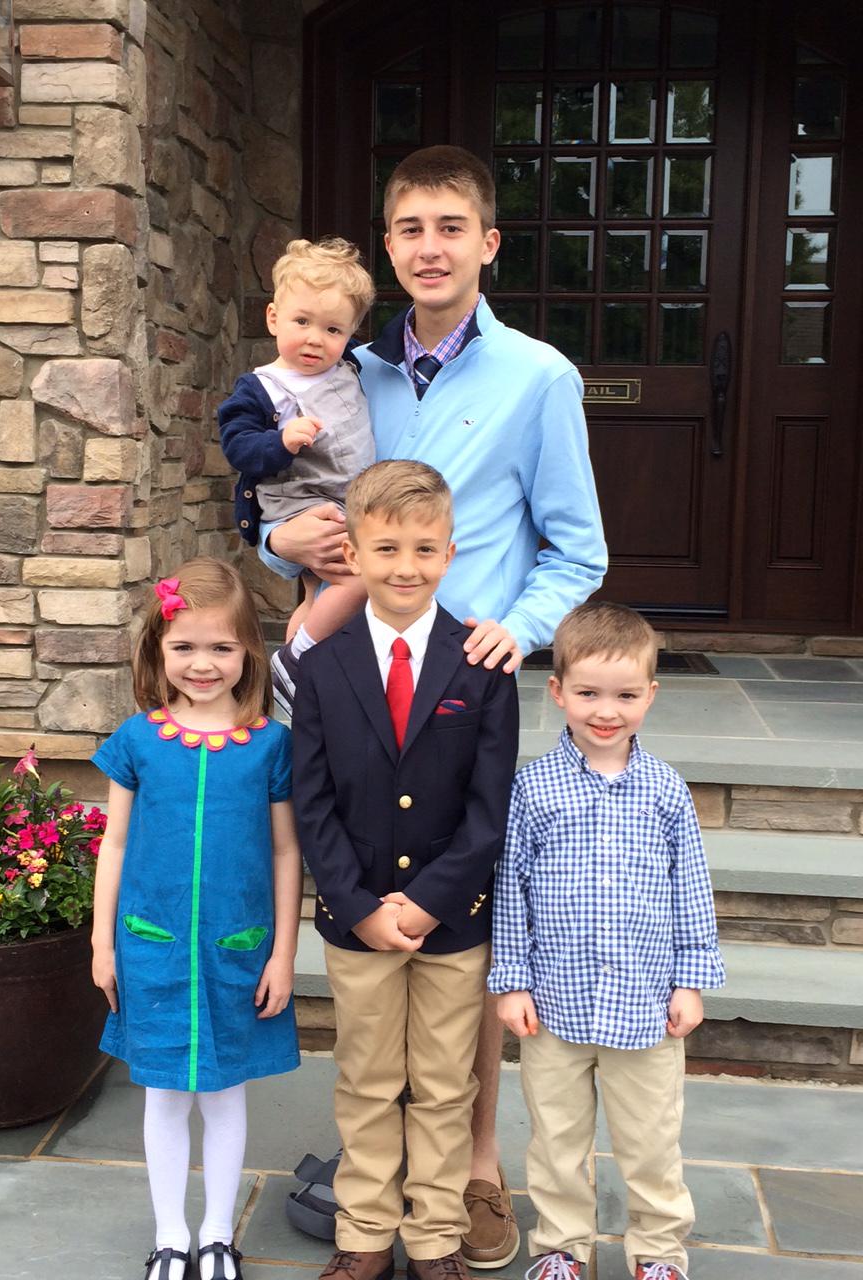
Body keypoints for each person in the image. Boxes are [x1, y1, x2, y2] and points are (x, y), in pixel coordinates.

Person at [268, 146, 607, 1267]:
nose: (430, 246)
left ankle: (474, 1169)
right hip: (355, 678)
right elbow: (292, 499)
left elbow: (578, 546)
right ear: (388, 244)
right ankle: (378, 1188)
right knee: (369, 918)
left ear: (488, 243)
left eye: (451, 226)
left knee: (462, 939)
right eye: (410, 227)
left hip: (466, 690)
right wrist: (274, 540)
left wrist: (524, 624)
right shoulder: (345, 369)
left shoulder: (539, 378)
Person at [293, 460, 520, 1280]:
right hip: (356, 920)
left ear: (450, 554)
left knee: (444, 1085)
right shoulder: (322, 668)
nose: (405, 566)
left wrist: (427, 902)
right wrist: (358, 906)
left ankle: (434, 1239)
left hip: (451, 921)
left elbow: (490, 808)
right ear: (353, 554)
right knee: (366, 1079)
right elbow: (312, 801)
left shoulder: (483, 666)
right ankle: (364, 1235)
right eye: (386, 548)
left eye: (425, 549)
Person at [490, 602, 726, 1280]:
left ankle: (658, 1251)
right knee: (556, 1141)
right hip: (555, 1004)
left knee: (651, 1142)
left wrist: (690, 981)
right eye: (589, 692)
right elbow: (510, 891)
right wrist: (512, 981)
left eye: (625, 695)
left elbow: (691, 890)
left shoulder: (666, 791)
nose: (606, 711)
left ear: (650, 695)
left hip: (644, 1005)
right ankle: (562, 1247)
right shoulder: (533, 789)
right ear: (558, 691)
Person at [91, 557, 303, 1280]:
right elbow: (115, 844)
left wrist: (282, 953)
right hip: (151, 947)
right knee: (163, 1094)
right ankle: (170, 1235)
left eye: (221, 647)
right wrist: (102, 942)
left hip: (237, 950)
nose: (202, 663)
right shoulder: (138, 740)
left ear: (249, 653)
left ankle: (217, 1233)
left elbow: (285, 851)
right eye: (184, 646)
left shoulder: (270, 745)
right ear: (159, 650)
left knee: (224, 1092)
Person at [217, 237, 376, 713]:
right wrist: (281, 441)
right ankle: (294, 661)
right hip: (300, 502)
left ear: (350, 334)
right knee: (360, 577)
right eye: (301, 322)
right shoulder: (264, 387)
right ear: (273, 318)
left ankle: (297, 676)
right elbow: (237, 446)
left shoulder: (346, 366)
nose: (315, 339)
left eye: (333, 329)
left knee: (315, 593)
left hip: (343, 498)